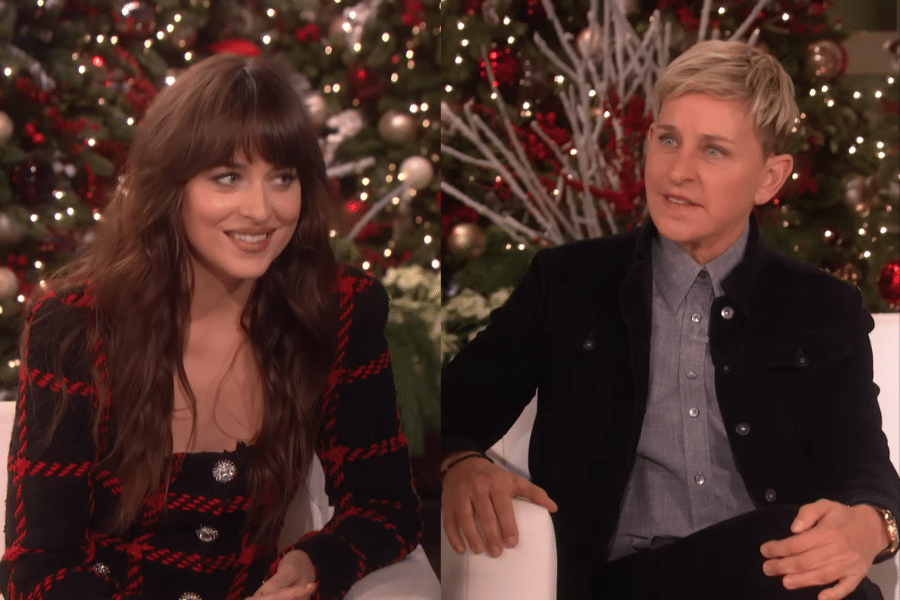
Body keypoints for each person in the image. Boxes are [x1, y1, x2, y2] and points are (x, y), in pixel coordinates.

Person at [441, 40, 899, 600]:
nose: (678, 172)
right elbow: (450, 407)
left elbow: (864, 463)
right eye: (668, 140)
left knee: (802, 562)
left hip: (771, 579)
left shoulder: (823, 307)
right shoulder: (568, 283)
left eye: (713, 151)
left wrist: (875, 524)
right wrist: (461, 461)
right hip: (622, 583)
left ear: (770, 178)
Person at [1, 53, 421, 600]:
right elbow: (39, 566)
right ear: (170, 188)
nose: (261, 210)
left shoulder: (338, 311)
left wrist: (318, 562)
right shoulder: (75, 329)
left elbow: (386, 507)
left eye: (282, 178)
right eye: (227, 177)